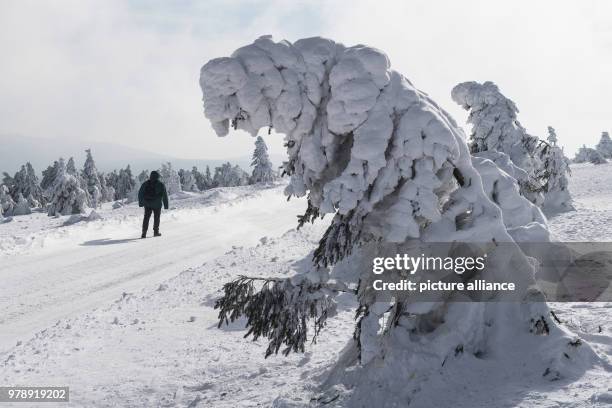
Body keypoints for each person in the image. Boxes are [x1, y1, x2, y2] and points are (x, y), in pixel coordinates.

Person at [138, 170, 169, 238]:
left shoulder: (145, 183)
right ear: (157, 177)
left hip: (147, 204)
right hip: (157, 205)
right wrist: (166, 205)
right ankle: (156, 232)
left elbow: (140, 193)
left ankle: (144, 233)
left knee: (146, 218)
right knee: (156, 218)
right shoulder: (161, 184)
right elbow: (164, 195)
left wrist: (141, 203)